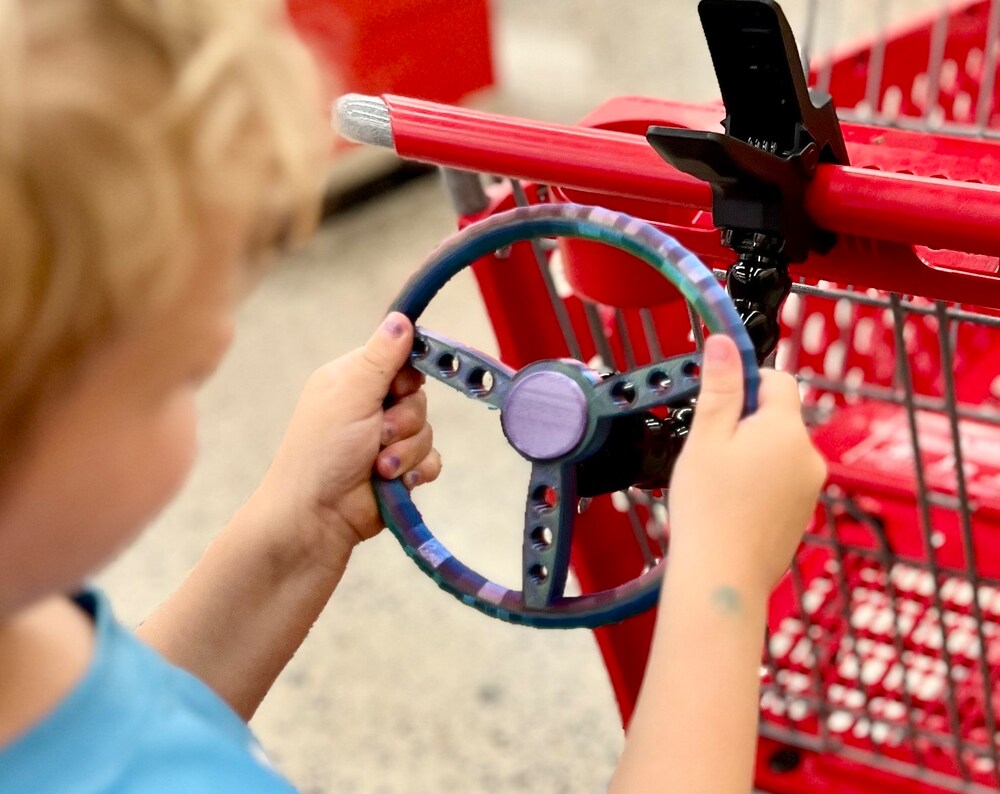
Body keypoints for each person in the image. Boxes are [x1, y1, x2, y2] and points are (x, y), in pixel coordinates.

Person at [0, 1, 826, 792]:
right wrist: (722, 580)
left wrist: (298, 532)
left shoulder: (27, 640)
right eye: (176, 377)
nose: (216, 359)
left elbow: (124, 714)